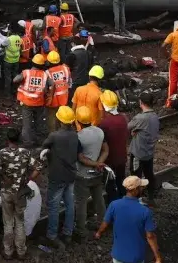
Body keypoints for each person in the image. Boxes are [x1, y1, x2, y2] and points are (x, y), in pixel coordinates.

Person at [0, 130, 39, 260]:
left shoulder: (2, 153)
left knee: (8, 223)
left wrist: (4, 175)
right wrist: (29, 179)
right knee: (20, 222)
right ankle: (21, 251)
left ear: (7, 140)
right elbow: (39, 166)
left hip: (6, 192)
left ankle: (8, 251)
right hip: (20, 193)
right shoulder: (26, 153)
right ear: (19, 139)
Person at [96, 176, 164, 263]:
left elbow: (105, 223)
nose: (142, 189)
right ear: (135, 190)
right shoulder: (145, 211)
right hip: (137, 256)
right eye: (141, 187)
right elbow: (150, 236)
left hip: (119, 255)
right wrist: (158, 258)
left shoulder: (114, 205)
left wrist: (99, 233)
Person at [42, 106, 80, 248]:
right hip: (70, 175)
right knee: (70, 204)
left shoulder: (54, 136)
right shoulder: (75, 135)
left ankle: (52, 235)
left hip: (57, 176)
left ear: (59, 120)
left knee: (53, 206)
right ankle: (68, 233)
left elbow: (44, 147)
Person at [74, 105, 109, 236]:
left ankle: (80, 229)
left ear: (78, 121)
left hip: (82, 175)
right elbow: (106, 150)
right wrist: (100, 163)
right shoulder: (99, 132)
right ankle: (103, 223)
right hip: (97, 174)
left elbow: (81, 158)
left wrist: (95, 164)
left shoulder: (79, 137)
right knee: (99, 199)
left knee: (81, 202)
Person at [98, 90, 130, 205]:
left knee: (111, 187)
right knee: (121, 182)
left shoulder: (104, 124)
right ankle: (124, 204)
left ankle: (114, 209)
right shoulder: (123, 118)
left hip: (110, 161)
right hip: (122, 157)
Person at [128, 92, 161, 198]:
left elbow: (128, 126)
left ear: (141, 102)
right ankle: (152, 194)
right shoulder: (155, 116)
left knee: (135, 176)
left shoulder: (140, 118)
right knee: (149, 174)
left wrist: (133, 132)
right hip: (149, 152)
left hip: (138, 153)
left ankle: (136, 197)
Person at [14, 54, 49, 146]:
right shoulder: (45, 75)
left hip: (27, 103)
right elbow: (51, 84)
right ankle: (39, 141)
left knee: (27, 125)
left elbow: (15, 80)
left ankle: (27, 143)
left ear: (32, 63)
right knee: (39, 123)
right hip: (39, 102)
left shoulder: (26, 73)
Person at [45, 51, 72, 131]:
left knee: (52, 118)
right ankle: (63, 132)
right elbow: (69, 83)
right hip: (64, 98)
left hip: (53, 100)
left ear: (49, 61)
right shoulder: (66, 69)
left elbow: (46, 88)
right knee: (63, 116)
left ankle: (53, 134)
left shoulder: (47, 72)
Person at [2, 29, 23, 93]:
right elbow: (21, 47)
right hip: (16, 60)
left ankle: (8, 93)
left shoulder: (8, 39)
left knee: (8, 77)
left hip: (8, 60)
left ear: (10, 32)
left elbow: (1, 45)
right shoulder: (19, 38)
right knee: (15, 75)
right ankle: (15, 90)